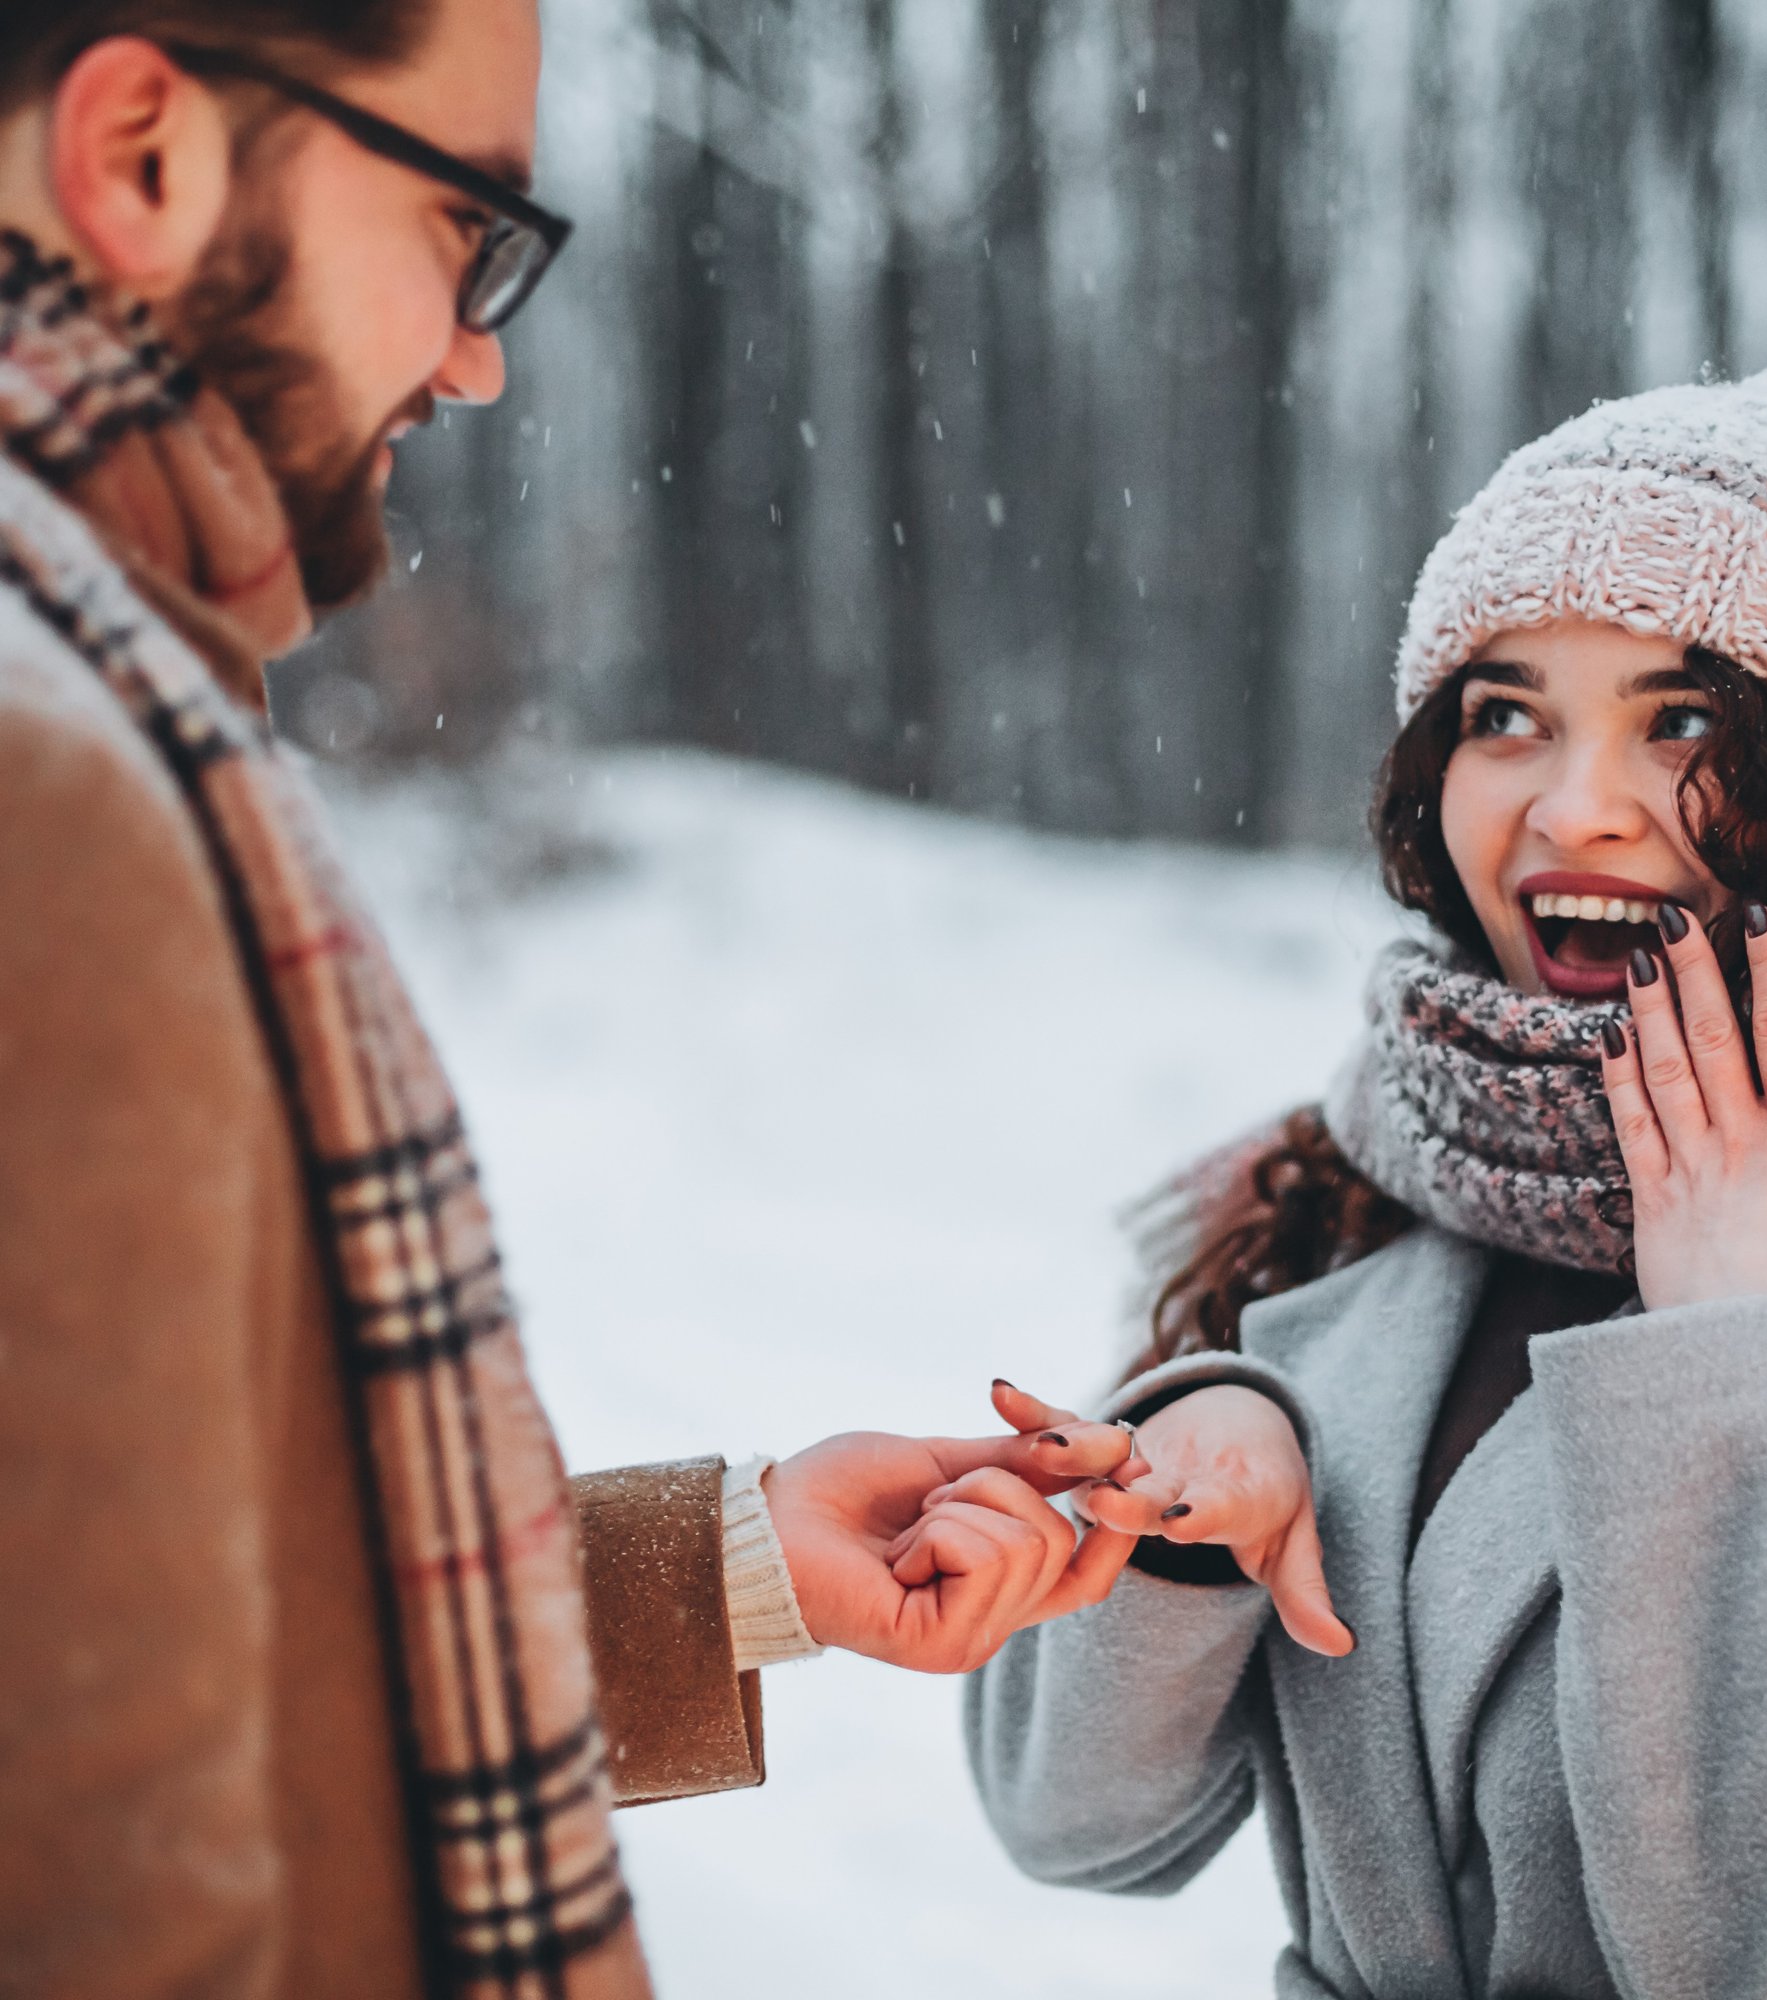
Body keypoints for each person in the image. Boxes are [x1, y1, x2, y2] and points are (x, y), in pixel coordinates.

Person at [0, 7, 1147, 1996]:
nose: (478, 353)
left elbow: (189, 1626)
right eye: (462, 228)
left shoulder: (112, 720)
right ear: (144, 151)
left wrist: (734, 1566)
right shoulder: (55, 798)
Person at [963, 357, 1767, 1995]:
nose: (1570, 809)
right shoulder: (1337, 1207)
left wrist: (1744, 1359)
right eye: (1503, 714)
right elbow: (1069, 1820)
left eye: (1689, 721)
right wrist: (1188, 1502)